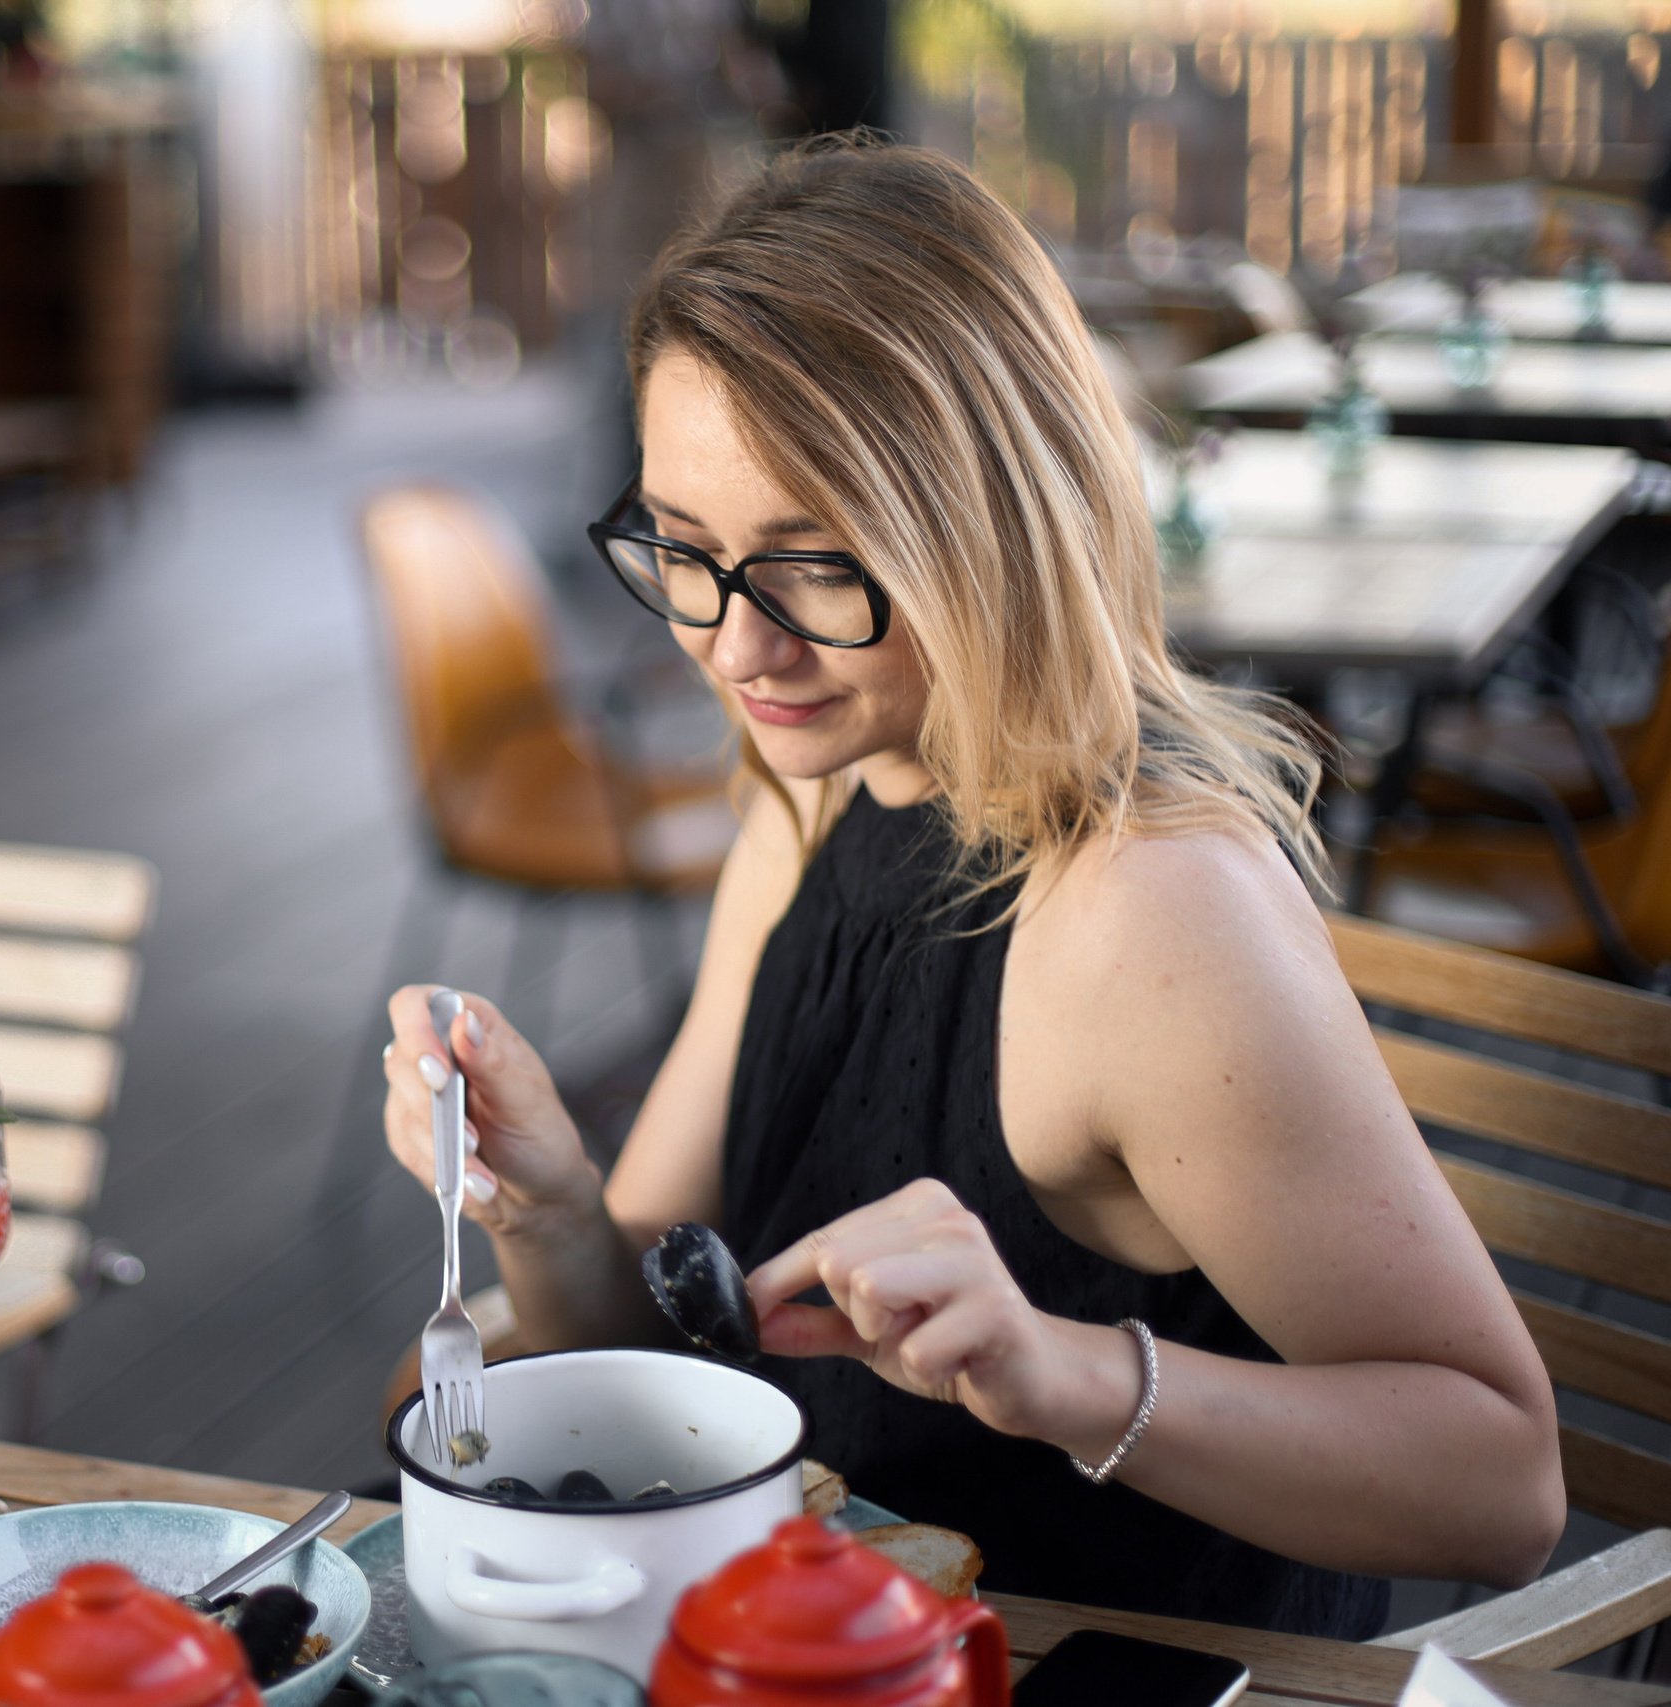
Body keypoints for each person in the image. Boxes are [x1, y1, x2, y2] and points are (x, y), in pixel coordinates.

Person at [380, 139, 1562, 1639]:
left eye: (819, 568)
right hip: (815, 1647)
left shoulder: (1149, 915)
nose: (739, 652)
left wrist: (1059, 1372)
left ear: (995, 528)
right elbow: (657, 1352)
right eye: (685, 551)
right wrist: (545, 1202)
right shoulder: (817, 788)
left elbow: (1503, 1485)